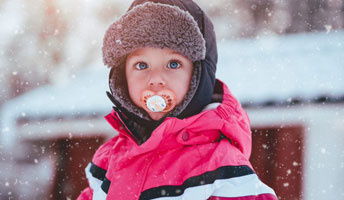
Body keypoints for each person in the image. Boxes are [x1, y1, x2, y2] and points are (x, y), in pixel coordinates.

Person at [78, 0, 278, 199]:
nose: (155, 79)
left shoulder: (220, 167)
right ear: (122, 77)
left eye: (173, 64)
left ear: (197, 76)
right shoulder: (109, 158)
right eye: (141, 65)